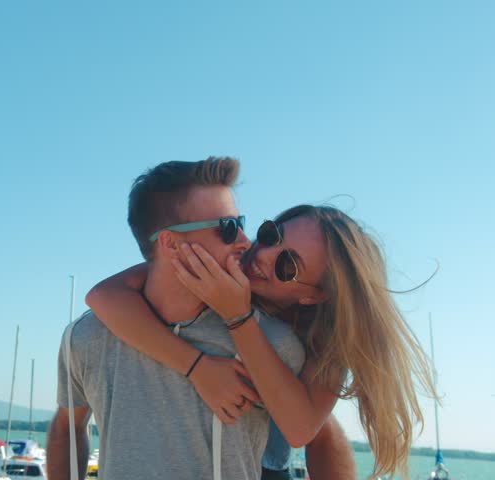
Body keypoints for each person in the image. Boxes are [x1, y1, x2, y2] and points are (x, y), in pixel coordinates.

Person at [86, 203, 438, 479]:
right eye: (271, 235)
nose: (264, 255)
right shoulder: (222, 263)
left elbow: (304, 428)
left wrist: (237, 317)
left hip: (265, 466)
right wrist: (197, 367)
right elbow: (103, 295)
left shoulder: (324, 339)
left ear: (315, 297)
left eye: (288, 265)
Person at [47, 156, 306, 480]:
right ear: (171, 243)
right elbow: (67, 429)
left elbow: (318, 434)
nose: (244, 240)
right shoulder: (87, 337)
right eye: (227, 228)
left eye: (241, 222)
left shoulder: (272, 343)